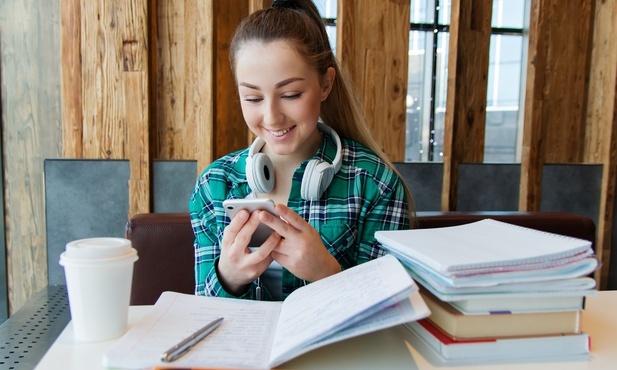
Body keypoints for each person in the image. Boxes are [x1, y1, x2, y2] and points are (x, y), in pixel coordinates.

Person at [189, 0, 414, 301]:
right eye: (253, 98)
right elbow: (203, 313)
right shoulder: (214, 184)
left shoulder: (376, 185)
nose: (271, 117)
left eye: (291, 94)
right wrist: (228, 277)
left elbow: (390, 313)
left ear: (325, 84)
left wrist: (327, 273)